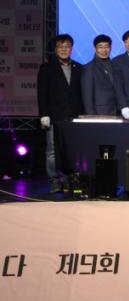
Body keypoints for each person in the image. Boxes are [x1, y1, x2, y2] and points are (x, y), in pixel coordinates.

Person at [37, 34, 83, 193]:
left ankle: (71, 178)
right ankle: (54, 179)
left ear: (71, 49)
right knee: (52, 150)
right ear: (56, 50)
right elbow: (42, 93)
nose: (64, 49)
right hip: (54, 116)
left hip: (74, 117)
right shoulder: (46, 68)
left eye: (67, 46)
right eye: (60, 46)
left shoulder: (79, 68)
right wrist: (43, 114)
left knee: (72, 149)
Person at [81, 34, 118, 115]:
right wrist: (91, 116)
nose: (104, 50)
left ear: (110, 48)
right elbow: (87, 96)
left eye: (106, 47)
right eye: (100, 47)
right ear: (95, 48)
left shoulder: (115, 65)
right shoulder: (89, 67)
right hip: (100, 112)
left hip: (117, 111)